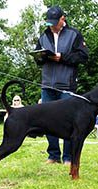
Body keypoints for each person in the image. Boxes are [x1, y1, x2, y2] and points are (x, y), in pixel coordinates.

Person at [34, 6, 89, 165]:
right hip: (47, 85)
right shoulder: (44, 35)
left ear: (62, 19)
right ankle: (53, 155)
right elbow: (38, 58)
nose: (51, 26)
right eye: (49, 23)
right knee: (47, 121)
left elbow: (83, 56)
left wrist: (62, 57)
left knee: (69, 122)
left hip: (67, 85)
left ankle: (68, 157)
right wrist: (40, 57)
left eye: (54, 23)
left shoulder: (75, 34)